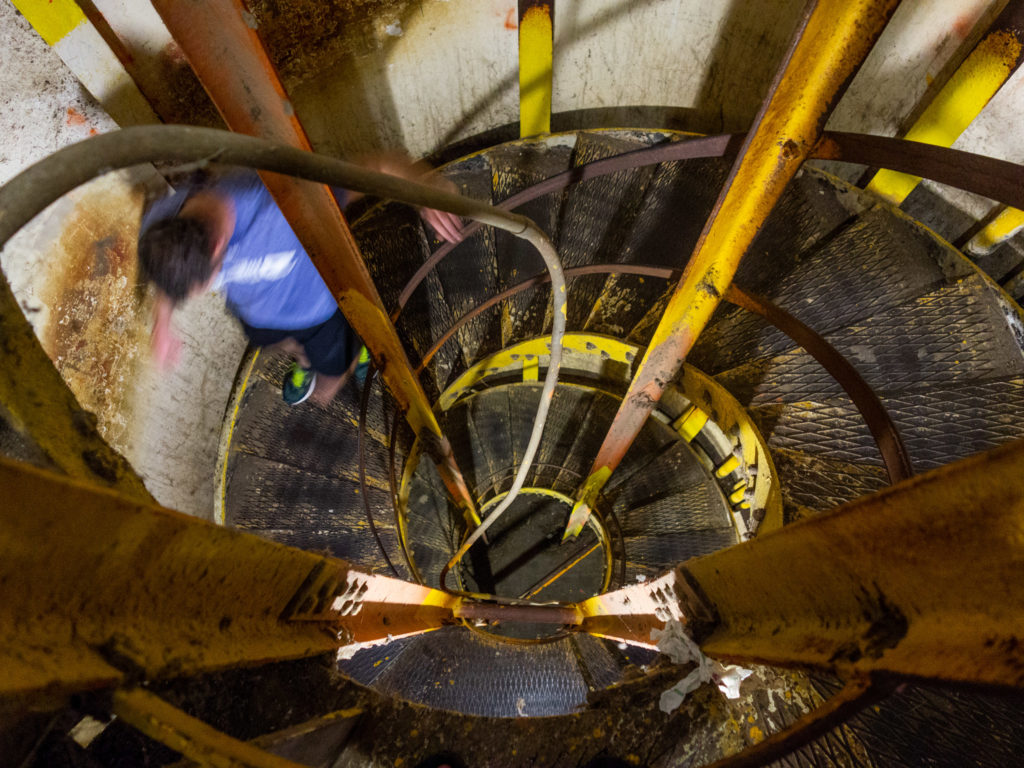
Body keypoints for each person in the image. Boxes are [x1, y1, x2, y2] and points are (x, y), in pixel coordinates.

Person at [137, 157, 462, 406]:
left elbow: (374, 166)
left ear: (217, 245)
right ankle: (306, 360)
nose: (209, 288)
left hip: (317, 312)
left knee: (332, 370)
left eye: (207, 281)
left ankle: (352, 356)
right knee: (278, 342)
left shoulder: (282, 204)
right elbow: (169, 275)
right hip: (255, 312)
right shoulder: (162, 224)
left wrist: (425, 187)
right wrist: (162, 319)